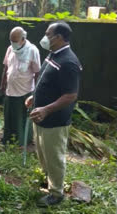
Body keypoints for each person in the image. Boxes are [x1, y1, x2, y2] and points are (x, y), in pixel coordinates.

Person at [25, 21, 82, 207]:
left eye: (48, 33)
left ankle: (56, 194)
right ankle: (49, 182)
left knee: (54, 157)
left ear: (58, 38)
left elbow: (71, 95)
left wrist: (46, 109)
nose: (45, 36)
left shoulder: (69, 62)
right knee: (43, 153)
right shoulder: (53, 54)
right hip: (41, 117)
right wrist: (34, 97)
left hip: (54, 121)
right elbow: (45, 80)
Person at [0, 27, 40, 145]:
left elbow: (37, 73)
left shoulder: (32, 50)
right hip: (10, 90)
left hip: (25, 91)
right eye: (11, 40)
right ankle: (7, 139)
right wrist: (2, 84)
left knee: (21, 118)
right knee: (9, 116)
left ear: (23, 39)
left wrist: (35, 93)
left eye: (15, 41)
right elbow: (6, 67)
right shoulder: (10, 49)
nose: (13, 43)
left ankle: (22, 141)